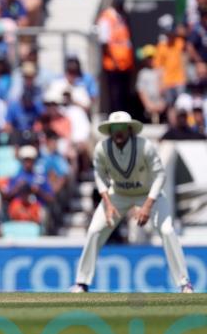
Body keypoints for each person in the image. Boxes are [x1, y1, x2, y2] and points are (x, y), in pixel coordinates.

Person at [72, 112, 193, 293]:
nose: (118, 132)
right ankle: (82, 283)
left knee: (167, 231)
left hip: (148, 193)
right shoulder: (101, 149)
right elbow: (99, 176)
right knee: (94, 230)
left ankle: (184, 283)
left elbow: (160, 176)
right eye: (114, 128)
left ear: (129, 129)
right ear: (109, 131)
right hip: (118, 194)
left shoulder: (145, 147)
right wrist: (108, 203)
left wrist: (147, 205)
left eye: (122, 128)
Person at [96, 0, 133, 112]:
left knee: (124, 93)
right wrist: (114, 61)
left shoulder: (121, 17)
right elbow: (104, 42)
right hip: (113, 64)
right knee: (115, 93)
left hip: (125, 64)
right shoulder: (107, 17)